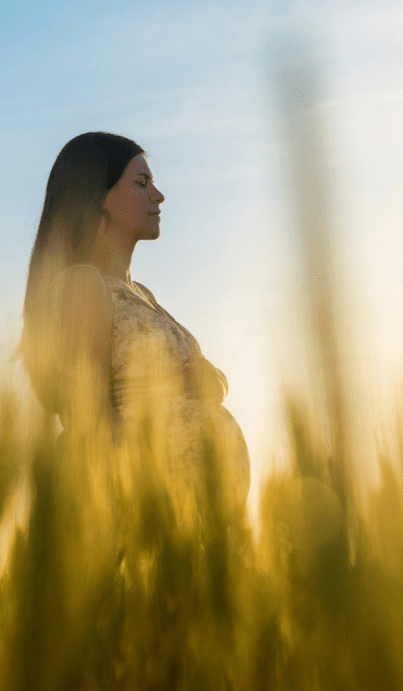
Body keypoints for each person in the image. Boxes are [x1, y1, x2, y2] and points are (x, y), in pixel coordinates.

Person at [20, 131, 250, 516]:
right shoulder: (81, 283)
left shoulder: (141, 294)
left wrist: (213, 381)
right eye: (141, 184)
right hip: (144, 510)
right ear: (97, 197)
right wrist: (146, 501)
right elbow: (86, 415)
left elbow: (192, 376)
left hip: (197, 527)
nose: (157, 196)